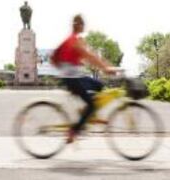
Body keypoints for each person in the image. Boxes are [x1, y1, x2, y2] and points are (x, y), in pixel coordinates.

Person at [51, 15, 119, 143]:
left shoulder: (74, 40)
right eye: (82, 24)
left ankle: (88, 113)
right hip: (71, 79)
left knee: (99, 85)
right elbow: (90, 56)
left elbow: (81, 56)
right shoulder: (74, 41)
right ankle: (74, 131)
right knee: (92, 105)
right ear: (77, 25)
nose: (83, 26)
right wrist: (106, 68)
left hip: (75, 76)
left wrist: (72, 65)